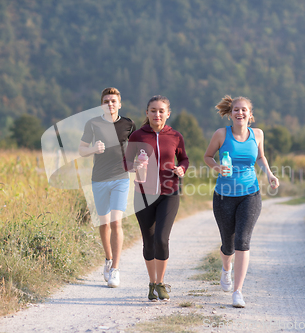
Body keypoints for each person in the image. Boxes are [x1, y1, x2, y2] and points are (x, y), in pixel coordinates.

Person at [203, 95, 279, 308]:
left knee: (242, 242)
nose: (240, 113)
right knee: (228, 245)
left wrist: (270, 175)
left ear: (250, 114)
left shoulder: (258, 134)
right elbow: (207, 156)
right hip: (224, 196)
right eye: (236, 109)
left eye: (244, 109)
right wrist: (217, 167)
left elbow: (260, 158)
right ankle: (226, 269)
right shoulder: (221, 134)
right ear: (231, 113)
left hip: (250, 194)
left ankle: (238, 291)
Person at [125, 95, 189, 301]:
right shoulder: (137, 136)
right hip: (143, 194)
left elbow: (184, 158)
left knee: (162, 239)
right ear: (147, 113)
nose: (157, 114)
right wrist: (135, 166)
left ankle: (160, 284)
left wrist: (182, 168)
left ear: (168, 114)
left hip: (169, 193)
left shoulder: (176, 136)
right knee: (149, 241)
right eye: (153, 110)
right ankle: (151, 283)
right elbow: (125, 162)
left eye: (161, 111)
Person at [79, 87, 136, 288]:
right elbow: (82, 149)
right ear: (101, 104)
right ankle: (108, 259)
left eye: (113, 101)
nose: (110, 104)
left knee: (116, 223)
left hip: (121, 178)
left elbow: (135, 148)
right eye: (106, 101)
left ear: (119, 104)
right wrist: (94, 148)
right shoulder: (93, 123)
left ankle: (115, 270)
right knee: (103, 223)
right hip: (99, 179)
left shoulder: (128, 124)